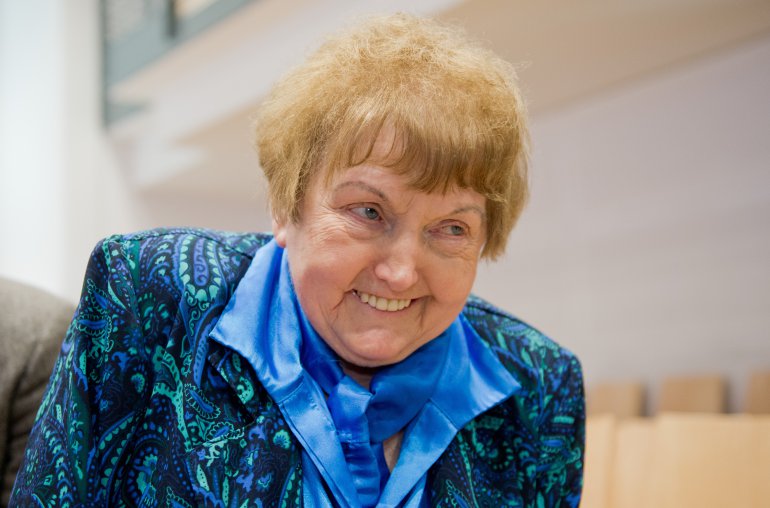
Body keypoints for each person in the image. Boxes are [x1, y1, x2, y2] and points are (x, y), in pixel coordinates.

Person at [11, 13, 584, 507]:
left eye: (452, 228)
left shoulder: (539, 387)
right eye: (368, 212)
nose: (401, 272)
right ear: (286, 207)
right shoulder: (149, 297)